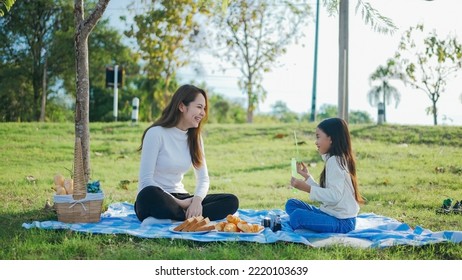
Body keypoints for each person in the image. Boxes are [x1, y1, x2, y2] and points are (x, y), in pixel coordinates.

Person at [135, 84, 239, 223]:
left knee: (231, 201)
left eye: (204, 108)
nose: (203, 113)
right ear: (182, 106)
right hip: (158, 197)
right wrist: (181, 203)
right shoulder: (156, 134)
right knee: (148, 194)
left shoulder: (195, 138)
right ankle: (188, 217)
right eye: (199, 107)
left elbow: (203, 179)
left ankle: (177, 217)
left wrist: (196, 201)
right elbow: (146, 181)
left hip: (183, 197)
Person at [286, 117, 364, 233]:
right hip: (330, 213)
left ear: (330, 138)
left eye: (318, 137)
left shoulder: (335, 161)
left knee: (297, 216)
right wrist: (307, 178)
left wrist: (307, 188)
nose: (315, 142)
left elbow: (334, 196)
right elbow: (329, 194)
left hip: (342, 221)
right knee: (292, 204)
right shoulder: (334, 160)